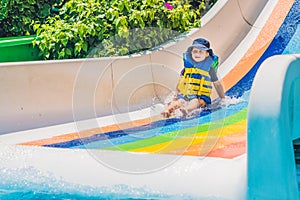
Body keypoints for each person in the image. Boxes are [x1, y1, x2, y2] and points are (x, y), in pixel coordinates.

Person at [161, 38, 225, 118]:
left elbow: (217, 84)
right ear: (191, 53)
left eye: (200, 51)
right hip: (188, 93)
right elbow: (181, 81)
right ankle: (168, 110)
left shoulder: (209, 69)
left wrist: (223, 98)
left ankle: (186, 110)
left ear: (207, 54)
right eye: (195, 51)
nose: (197, 54)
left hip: (202, 97)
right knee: (180, 101)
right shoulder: (187, 68)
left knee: (197, 102)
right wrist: (176, 94)